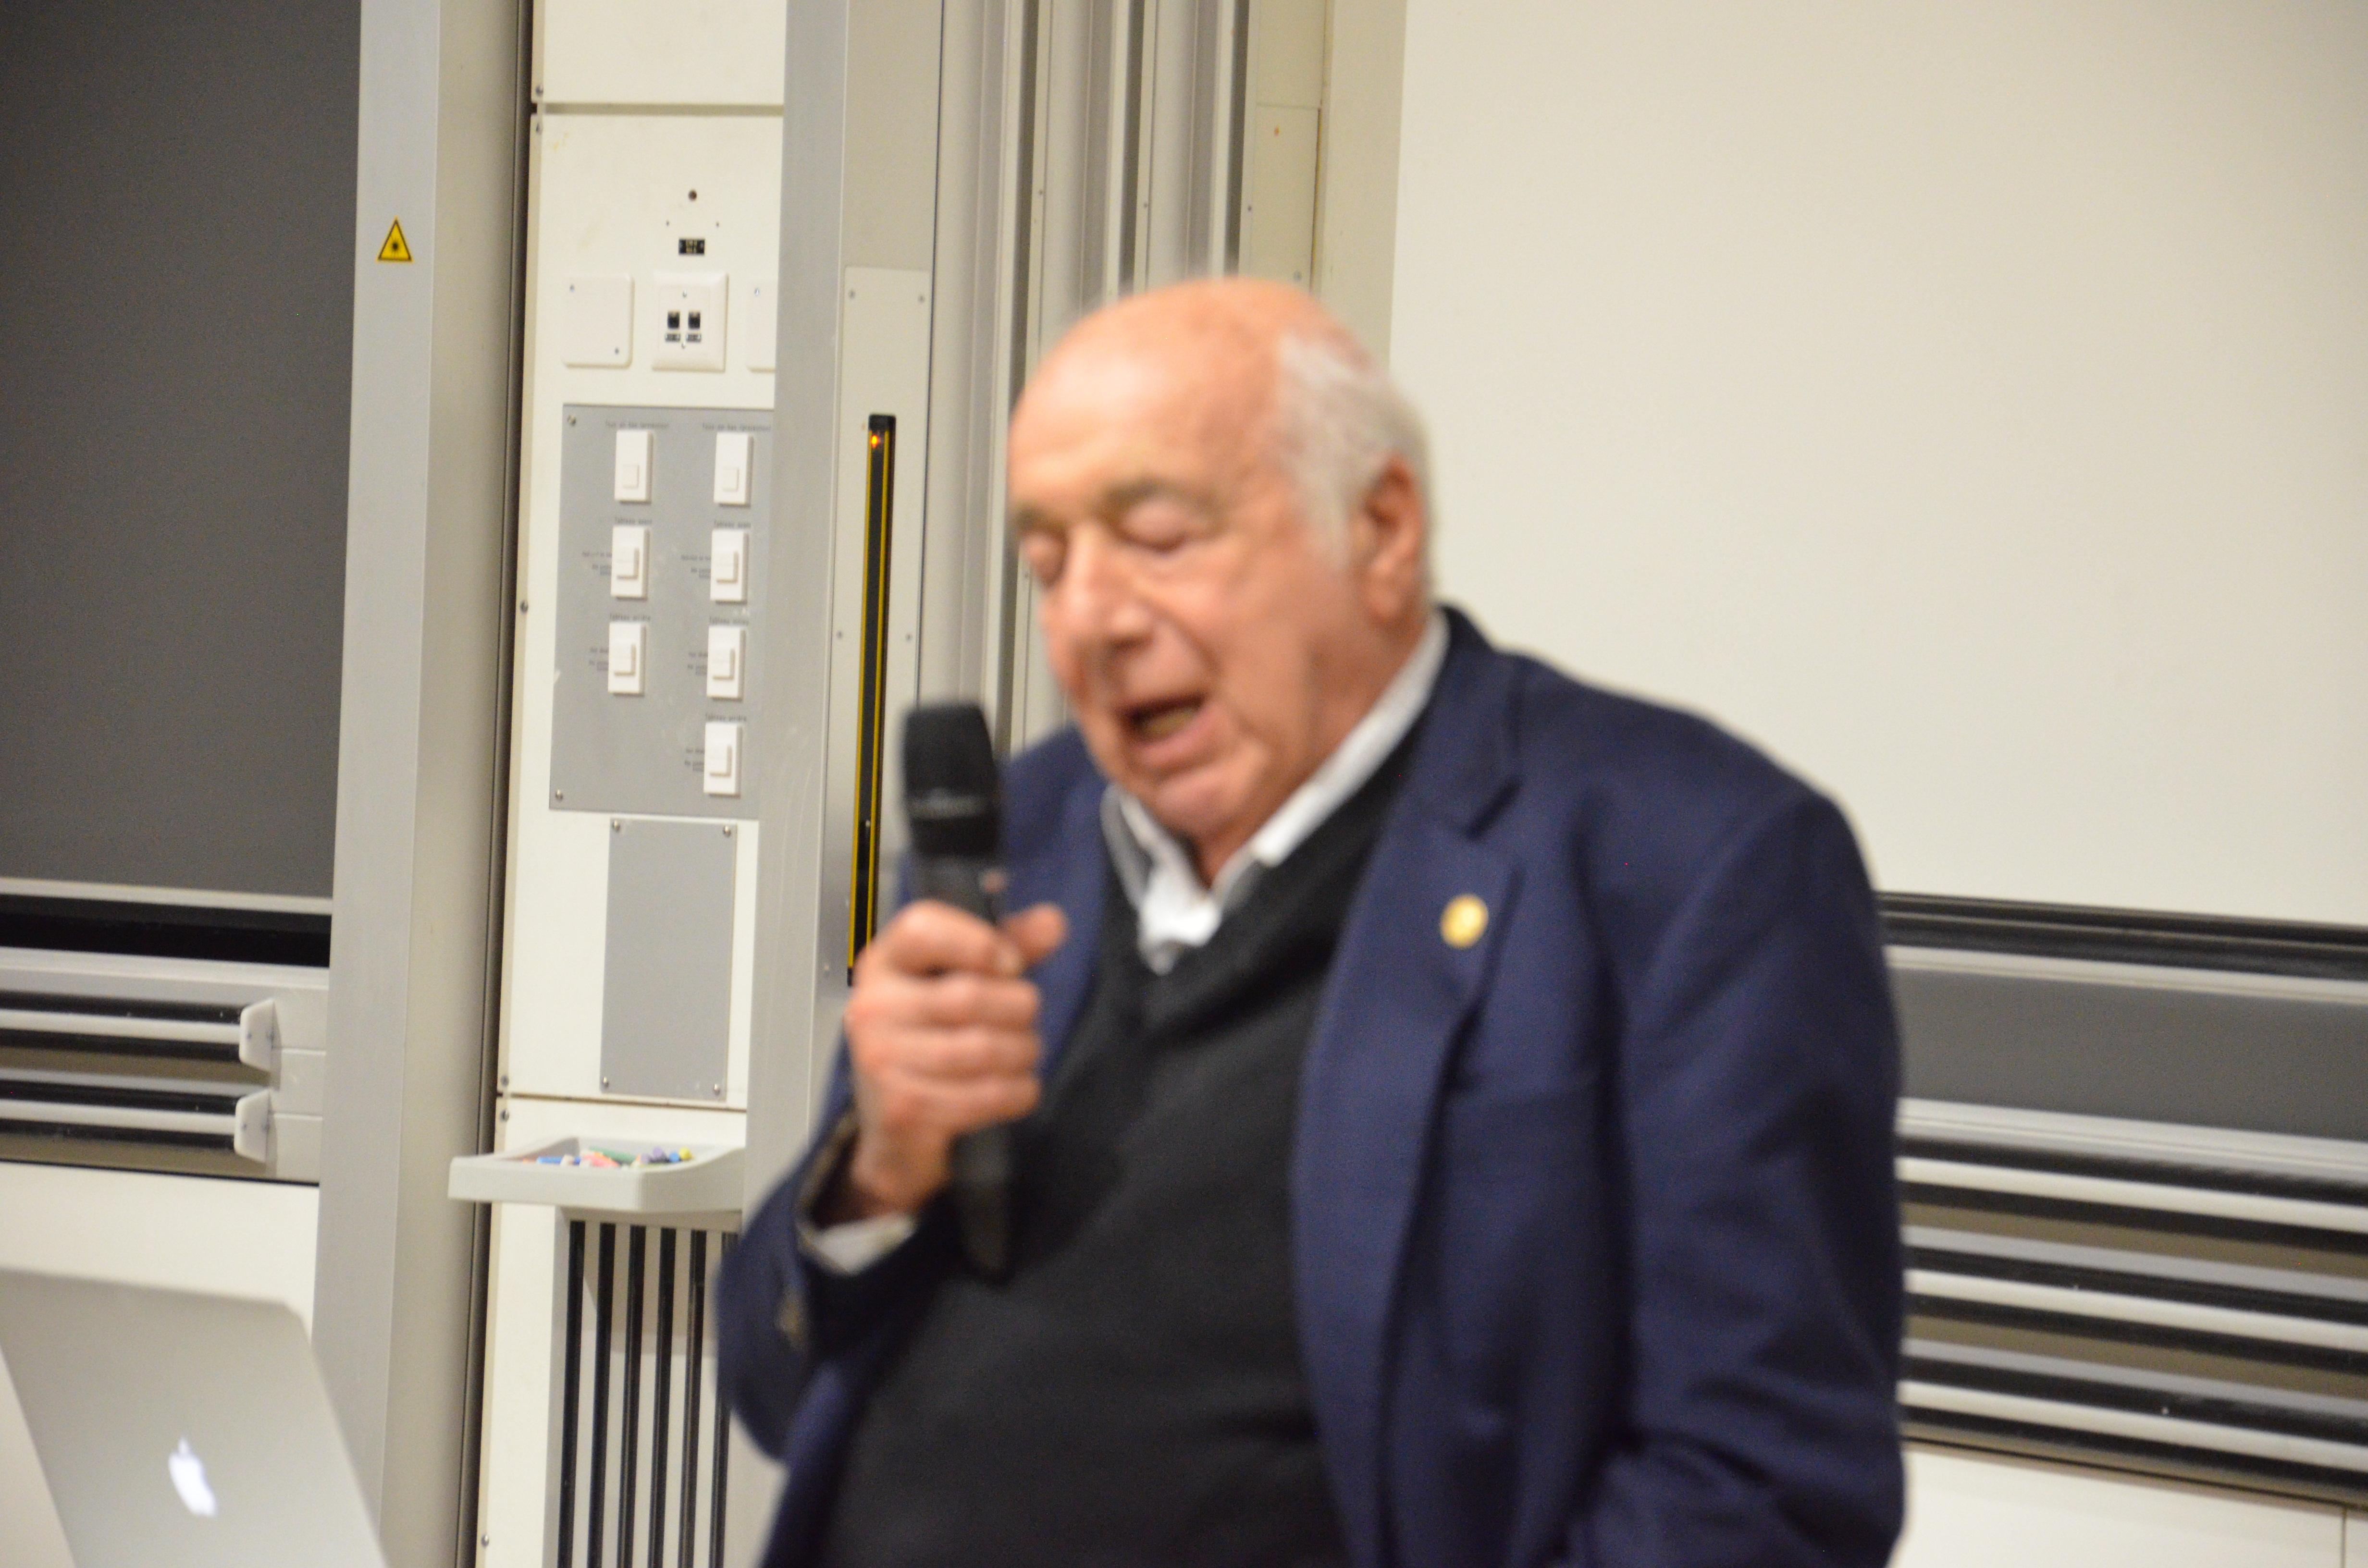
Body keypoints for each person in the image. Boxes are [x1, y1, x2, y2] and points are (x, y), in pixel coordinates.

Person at [718, 279, 1903, 1568]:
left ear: (1381, 529)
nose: (1092, 620)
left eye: (1158, 537)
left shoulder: (1687, 862)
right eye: (1050, 564)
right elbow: (777, 1396)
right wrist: (878, 1176)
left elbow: (1763, 1491)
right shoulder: (1019, 840)